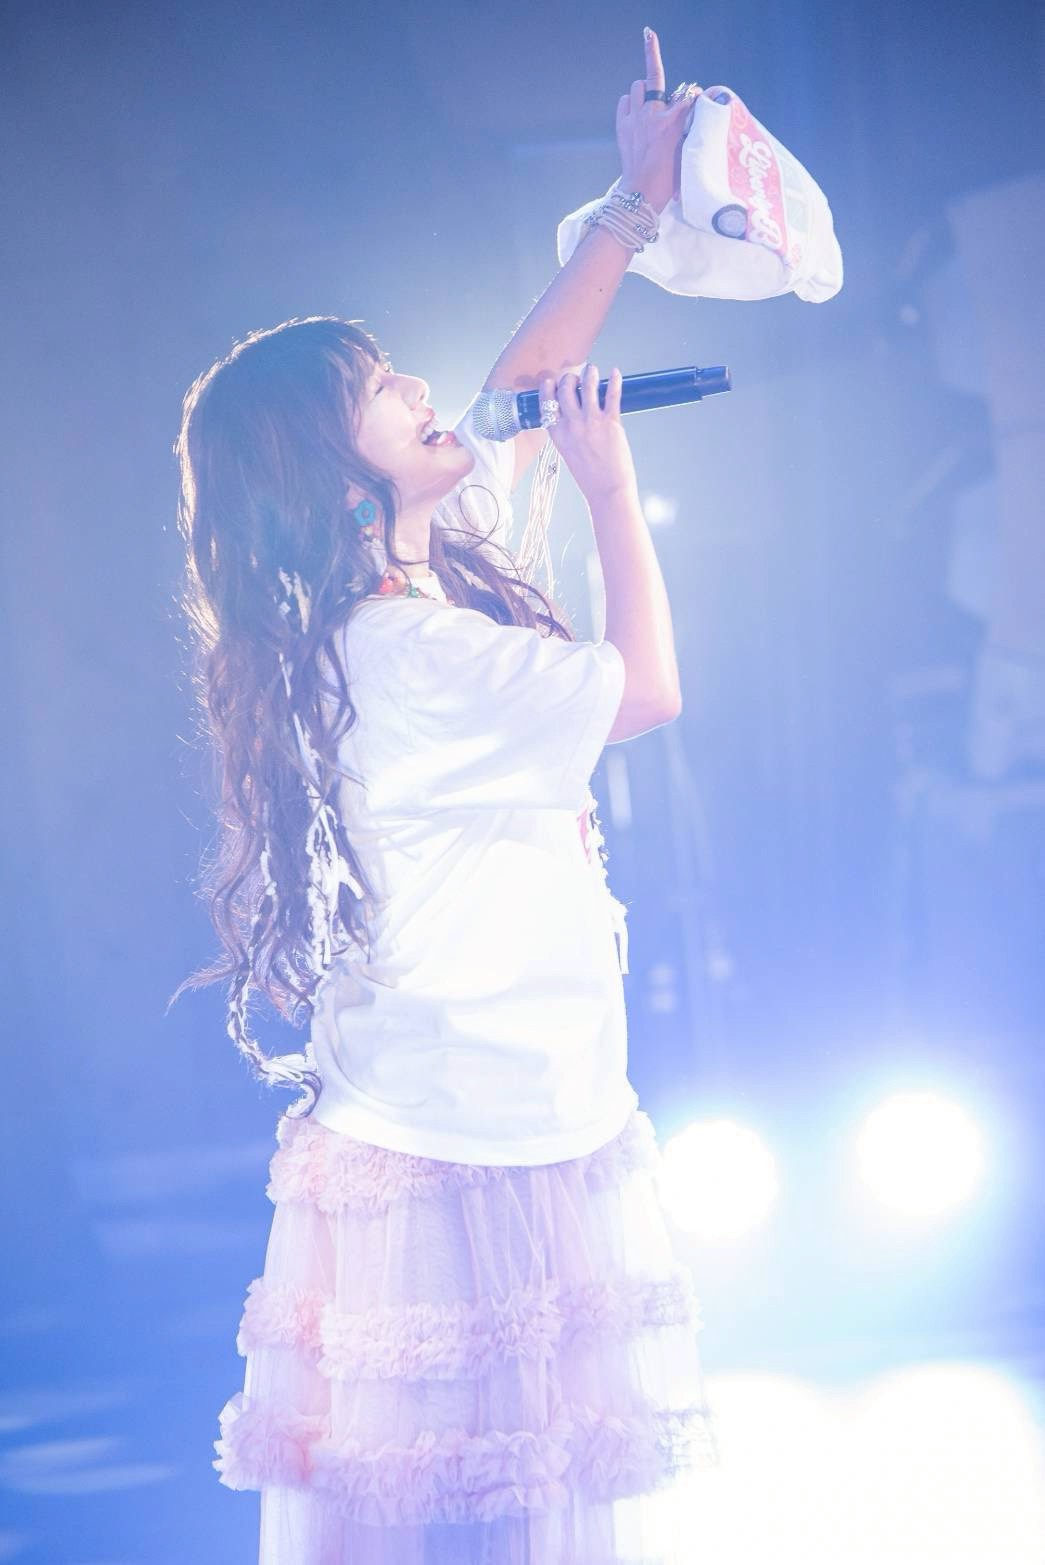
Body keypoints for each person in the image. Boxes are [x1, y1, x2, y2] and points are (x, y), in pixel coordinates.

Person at [173, 27, 719, 1564]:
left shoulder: (397, 593)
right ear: (328, 470)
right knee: (469, 1515)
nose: (423, 389)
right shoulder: (406, 647)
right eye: (379, 389)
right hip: (466, 1136)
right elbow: (647, 690)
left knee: (506, 1500)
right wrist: (609, 491)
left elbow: (521, 384)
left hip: (496, 1102)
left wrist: (631, 204)